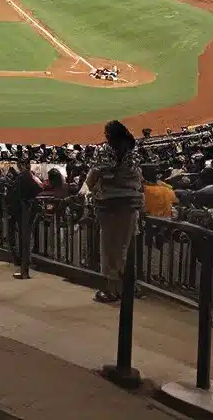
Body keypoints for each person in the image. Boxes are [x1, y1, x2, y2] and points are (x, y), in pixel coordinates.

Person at [84, 120, 144, 303]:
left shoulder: (103, 151)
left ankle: (111, 291)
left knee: (110, 249)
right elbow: (139, 178)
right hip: (131, 205)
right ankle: (130, 287)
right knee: (127, 246)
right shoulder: (133, 151)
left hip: (108, 205)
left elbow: (93, 176)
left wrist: (89, 188)